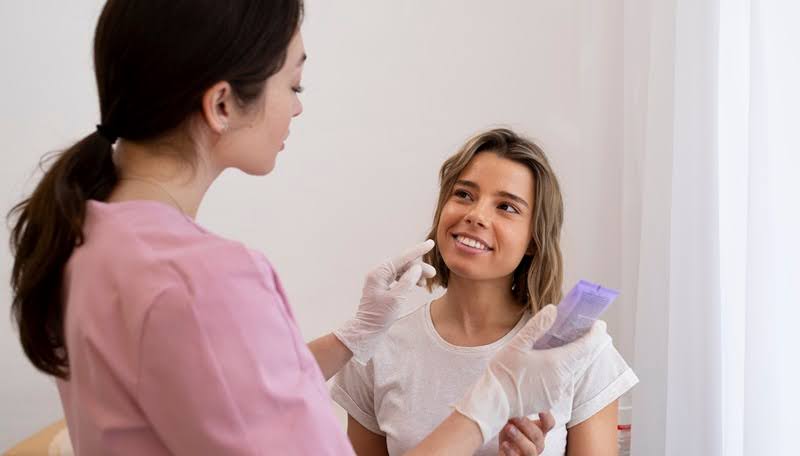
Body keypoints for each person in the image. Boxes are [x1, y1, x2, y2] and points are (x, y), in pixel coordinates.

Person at [7, 1, 610, 454]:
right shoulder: (209, 278)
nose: (297, 105)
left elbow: (218, 391)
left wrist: (350, 338)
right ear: (221, 105)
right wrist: (493, 396)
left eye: (508, 206)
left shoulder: (87, 236)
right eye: (292, 83)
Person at [333, 128, 639, 455]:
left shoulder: (577, 354)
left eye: (506, 207)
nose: (475, 215)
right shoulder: (378, 350)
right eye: (464, 194)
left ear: (534, 240)